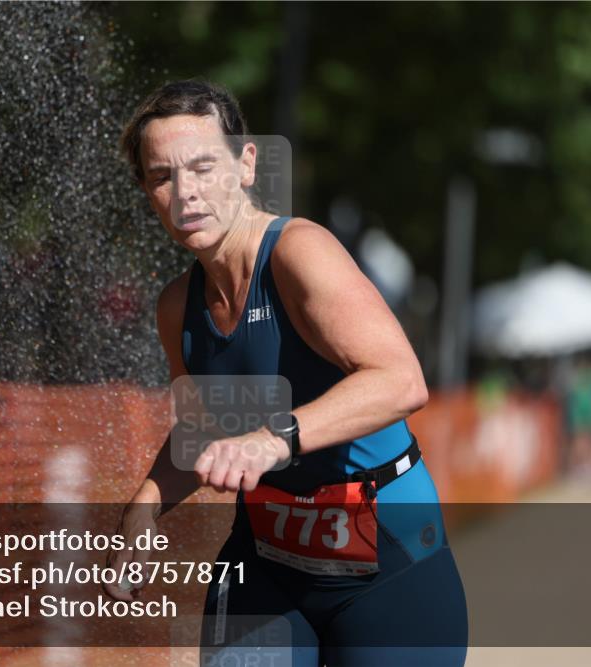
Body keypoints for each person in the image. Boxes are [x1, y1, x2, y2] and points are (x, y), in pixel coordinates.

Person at [105, 79, 467, 666]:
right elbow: (205, 428)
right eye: (161, 176)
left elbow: (402, 380)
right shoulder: (177, 306)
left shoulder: (299, 252)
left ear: (245, 165)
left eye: (202, 167)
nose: (185, 193)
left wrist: (273, 438)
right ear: (146, 190)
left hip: (386, 558)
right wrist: (144, 505)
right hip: (267, 563)